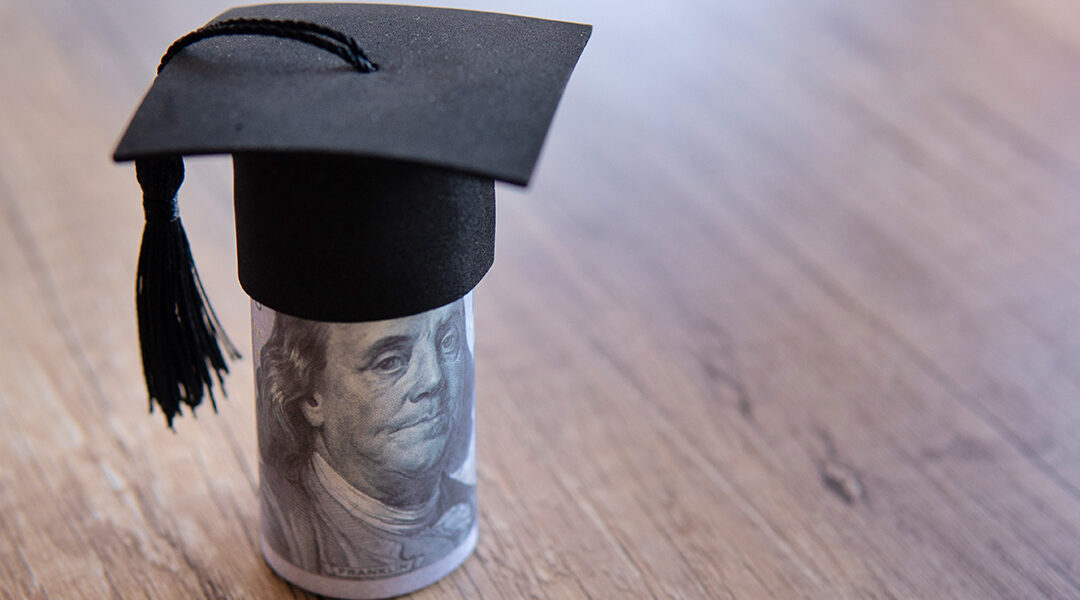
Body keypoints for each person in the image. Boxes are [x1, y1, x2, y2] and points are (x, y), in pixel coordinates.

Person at [256, 299, 475, 579]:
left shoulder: (460, 500)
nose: (433, 379)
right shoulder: (285, 517)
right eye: (390, 362)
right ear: (312, 398)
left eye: (448, 342)